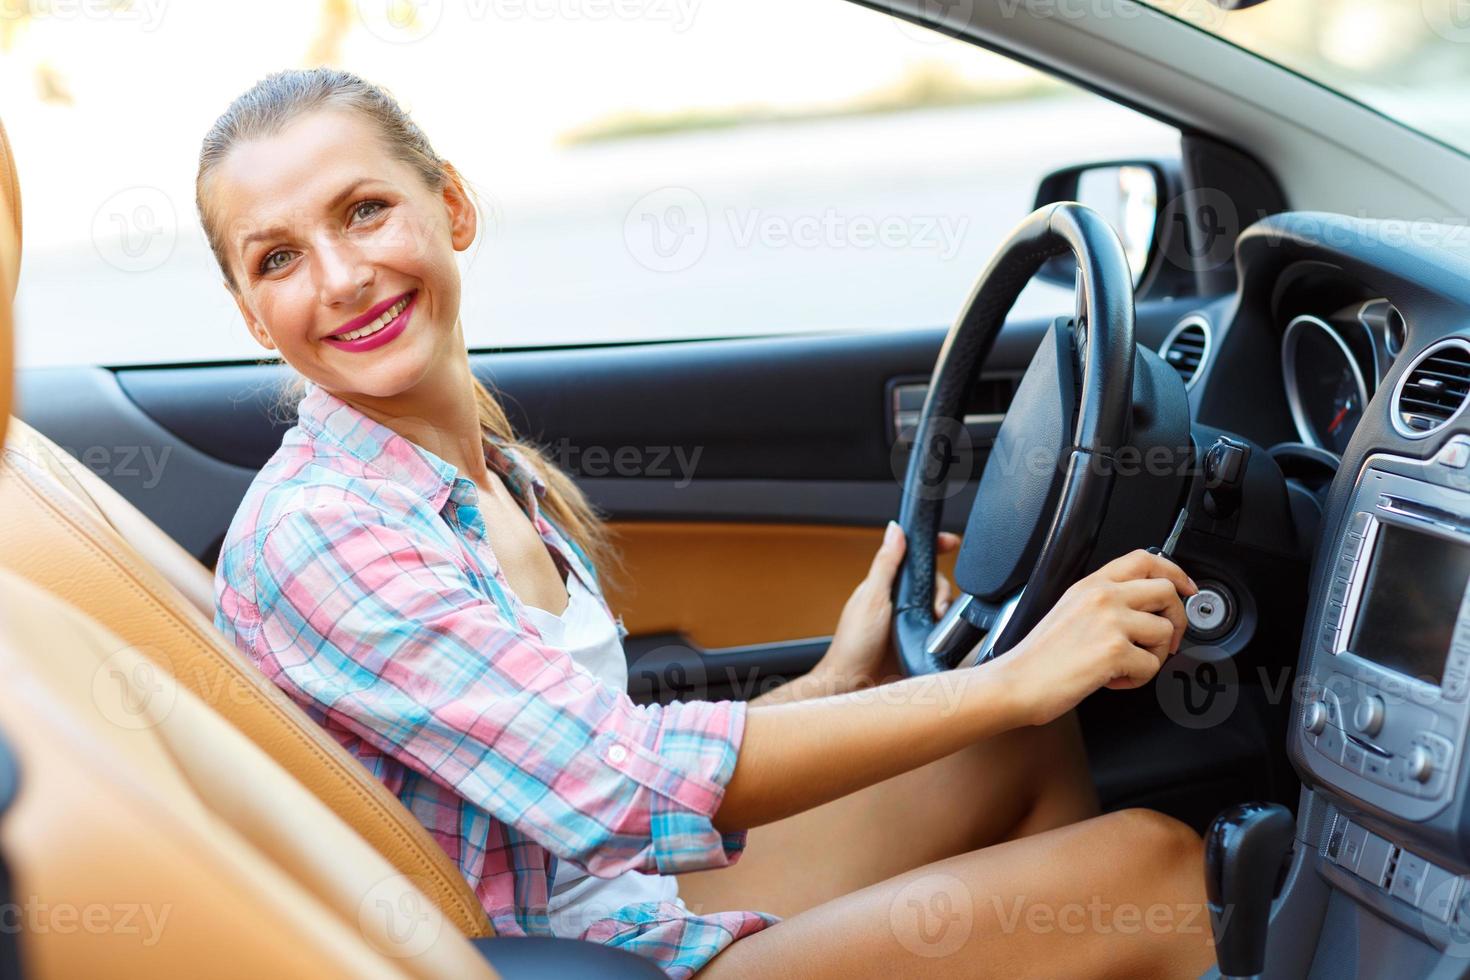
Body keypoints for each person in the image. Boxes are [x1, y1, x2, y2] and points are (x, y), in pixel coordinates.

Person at [204, 68, 1216, 979]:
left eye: (366, 210)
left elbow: (587, 761)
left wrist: (840, 680)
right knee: (1154, 869)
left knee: (1015, 750)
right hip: (560, 961)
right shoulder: (327, 532)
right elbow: (622, 777)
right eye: (279, 259)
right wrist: (1007, 676)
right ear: (253, 315)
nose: (339, 278)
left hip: (618, 900)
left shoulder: (476, 475)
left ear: (453, 206)